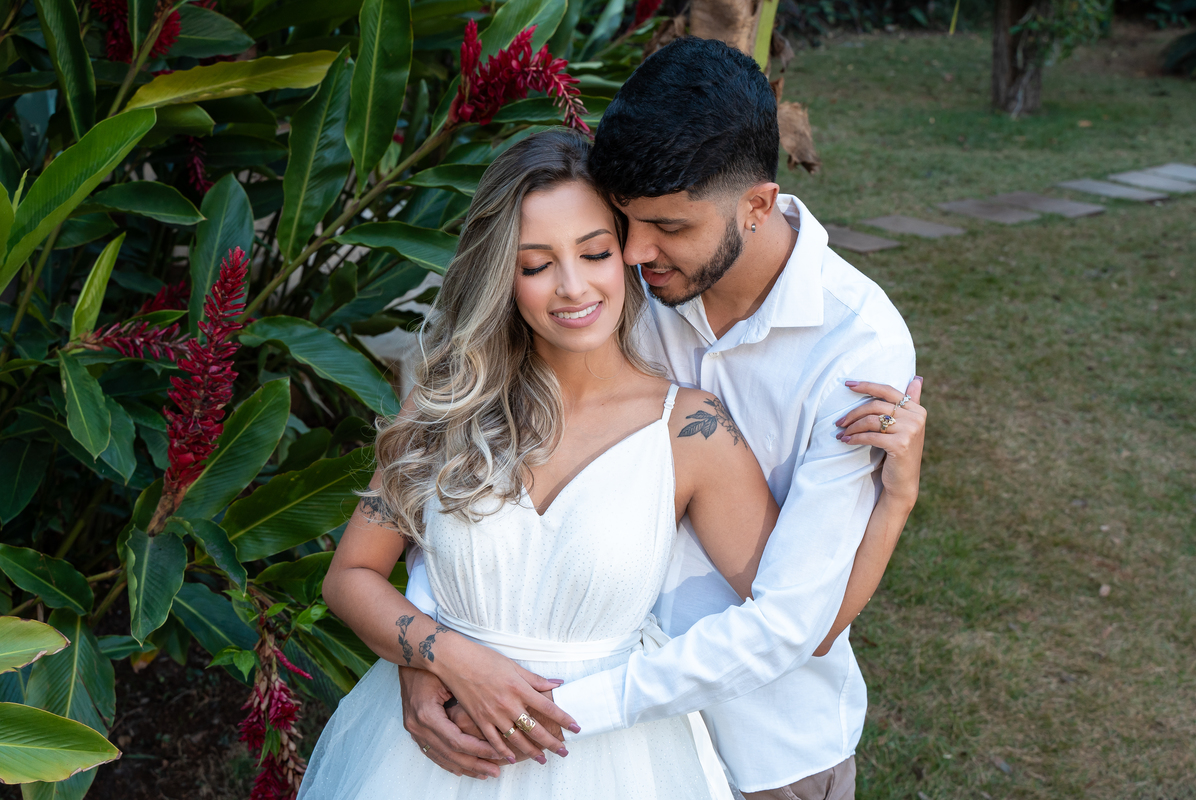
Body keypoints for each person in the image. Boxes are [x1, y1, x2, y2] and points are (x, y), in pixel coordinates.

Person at [298, 125, 923, 799]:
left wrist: (894, 503)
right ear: (500, 275)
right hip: (431, 756)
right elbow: (351, 575)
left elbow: (805, 623)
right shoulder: (444, 401)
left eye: (594, 253)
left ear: (627, 253)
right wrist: (437, 655)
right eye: (536, 265)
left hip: (612, 762)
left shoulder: (692, 431)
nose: (572, 288)